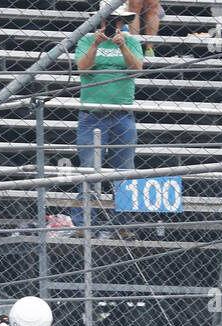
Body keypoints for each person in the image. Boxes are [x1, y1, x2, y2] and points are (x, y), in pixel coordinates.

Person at [71, 15, 144, 233]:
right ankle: (84, 224)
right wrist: (95, 43)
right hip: (92, 113)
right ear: (100, 22)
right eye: (110, 21)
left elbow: (136, 69)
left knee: (124, 171)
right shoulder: (86, 40)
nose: (114, 26)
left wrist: (122, 47)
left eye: (119, 21)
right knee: (89, 170)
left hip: (122, 113)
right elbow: (82, 68)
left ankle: (122, 224)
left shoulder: (131, 41)